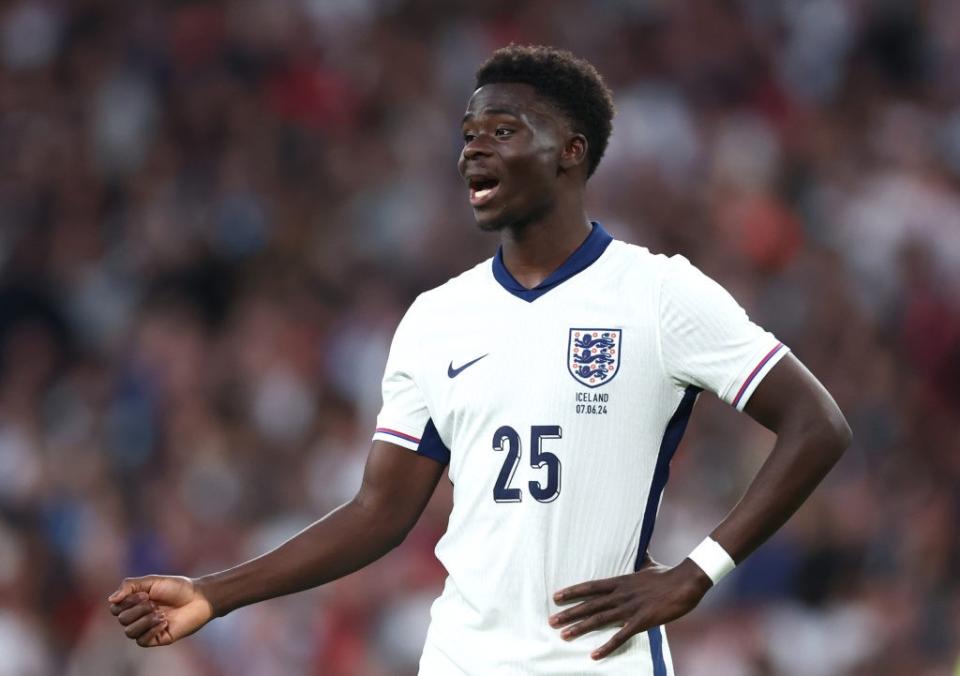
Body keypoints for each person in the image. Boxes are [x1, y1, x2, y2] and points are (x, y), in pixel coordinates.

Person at [108, 45, 851, 675]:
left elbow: (816, 424)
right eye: (467, 133)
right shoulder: (437, 318)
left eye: (502, 129)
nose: (473, 148)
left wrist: (696, 574)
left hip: (597, 660)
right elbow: (379, 512)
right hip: (461, 658)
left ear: (571, 152)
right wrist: (215, 591)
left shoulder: (657, 292)